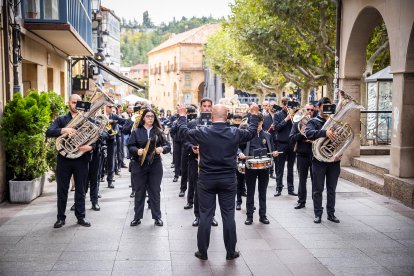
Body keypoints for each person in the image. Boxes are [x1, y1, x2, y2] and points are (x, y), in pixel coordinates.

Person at [177, 103, 260, 261]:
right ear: (227, 115)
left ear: (212, 116)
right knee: (228, 215)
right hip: (228, 179)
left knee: (205, 215)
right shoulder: (233, 132)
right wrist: (254, 114)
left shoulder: (204, 132)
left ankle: (203, 251)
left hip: (207, 178)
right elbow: (251, 133)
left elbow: (183, 133)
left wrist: (182, 116)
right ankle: (230, 251)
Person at [46, 94, 92, 228]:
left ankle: (81, 217)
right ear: (68, 103)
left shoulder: (86, 119)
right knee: (62, 189)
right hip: (64, 159)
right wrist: (63, 130)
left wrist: (91, 146)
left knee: (81, 189)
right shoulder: (61, 119)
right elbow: (48, 132)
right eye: (73, 102)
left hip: (81, 158)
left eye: (78, 103)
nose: (75, 105)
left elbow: (99, 136)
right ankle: (60, 218)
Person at [128, 109, 171, 227]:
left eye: (152, 116)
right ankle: (137, 217)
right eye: (148, 116)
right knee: (139, 191)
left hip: (155, 165)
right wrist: (137, 151)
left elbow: (168, 146)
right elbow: (130, 146)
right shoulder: (136, 131)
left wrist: (162, 149)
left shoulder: (159, 131)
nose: (150, 118)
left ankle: (157, 217)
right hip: (139, 165)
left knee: (155, 191)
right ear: (143, 118)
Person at [182, 98, 218, 227]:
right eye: (205, 106)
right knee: (197, 189)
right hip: (195, 160)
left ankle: (212, 216)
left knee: (212, 189)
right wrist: (192, 148)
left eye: (209, 106)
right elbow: (185, 140)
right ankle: (197, 216)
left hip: (212, 161)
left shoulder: (215, 123)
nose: (207, 108)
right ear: (200, 107)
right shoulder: (192, 123)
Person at [238, 113, 279, 225]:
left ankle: (263, 216)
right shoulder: (246, 135)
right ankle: (249, 216)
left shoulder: (267, 135)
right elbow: (237, 147)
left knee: (263, 192)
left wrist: (274, 153)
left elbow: (272, 149)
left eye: (259, 124)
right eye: (256, 124)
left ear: (262, 123)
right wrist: (240, 153)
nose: (258, 126)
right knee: (250, 192)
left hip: (264, 168)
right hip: (250, 167)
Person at [305, 97, 341, 224]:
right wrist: (324, 133)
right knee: (318, 189)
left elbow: (342, 138)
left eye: (329, 106)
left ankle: (331, 214)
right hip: (318, 160)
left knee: (332, 189)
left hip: (334, 161)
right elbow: (308, 133)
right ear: (318, 107)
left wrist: (340, 152)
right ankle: (318, 214)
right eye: (324, 106)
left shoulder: (336, 122)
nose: (327, 109)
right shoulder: (313, 121)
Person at [290, 103, 315, 209]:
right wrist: (301, 134)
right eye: (307, 109)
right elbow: (291, 138)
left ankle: (316, 202)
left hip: (315, 155)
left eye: (311, 110)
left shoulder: (316, 123)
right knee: (302, 180)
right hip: (302, 154)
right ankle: (301, 201)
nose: (309, 111)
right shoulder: (297, 123)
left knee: (316, 180)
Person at [273, 97, 297, 196]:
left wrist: (294, 117)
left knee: (291, 167)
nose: (288, 107)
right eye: (286, 104)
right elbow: (277, 128)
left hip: (292, 143)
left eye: (289, 105)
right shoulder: (277, 115)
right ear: (283, 105)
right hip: (281, 143)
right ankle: (279, 188)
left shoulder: (295, 114)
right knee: (280, 167)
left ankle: (290, 189)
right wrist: (286, 119)